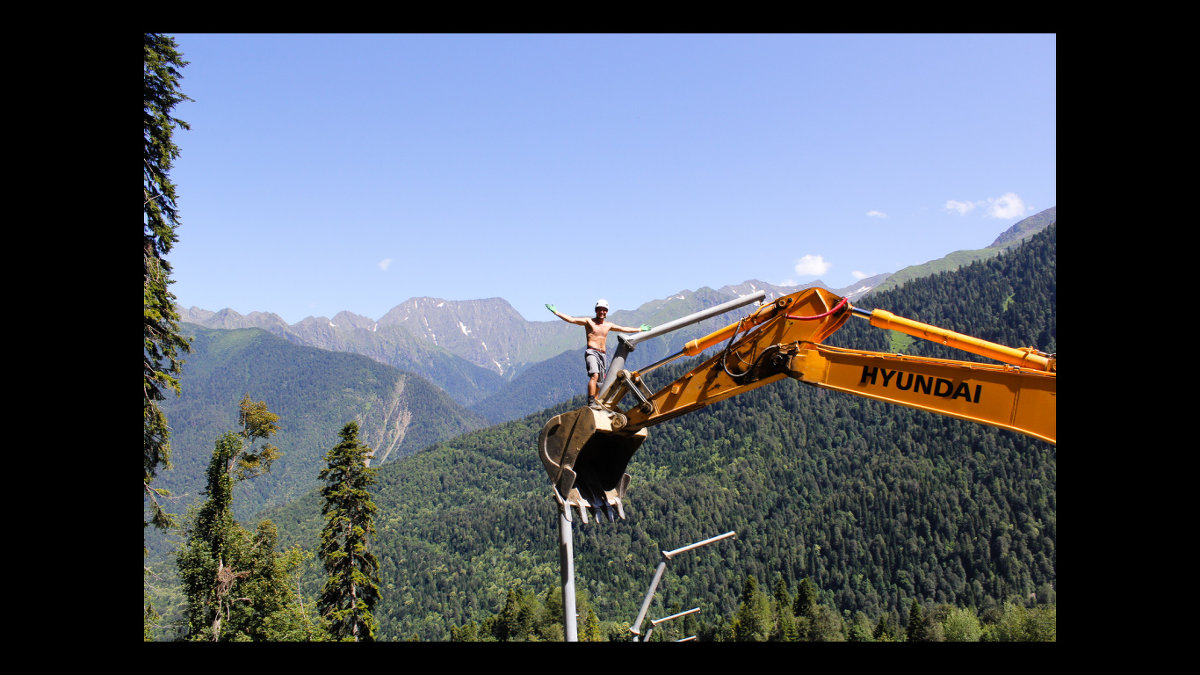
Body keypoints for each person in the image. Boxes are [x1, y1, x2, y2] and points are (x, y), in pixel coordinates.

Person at [547, 299, 649, 409]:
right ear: (596, 311)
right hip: (592, 351)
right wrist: (556, 312)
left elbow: (624, 328)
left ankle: (595, 402)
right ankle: (591, 401)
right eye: (600, 310)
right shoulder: (589, 322)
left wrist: (640, 329)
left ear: (606, 312)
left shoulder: (608, 325)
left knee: (600, 383)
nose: (602, 312)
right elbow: (572, 320)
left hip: (602, 355)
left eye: (604, 310)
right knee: (594, 375)